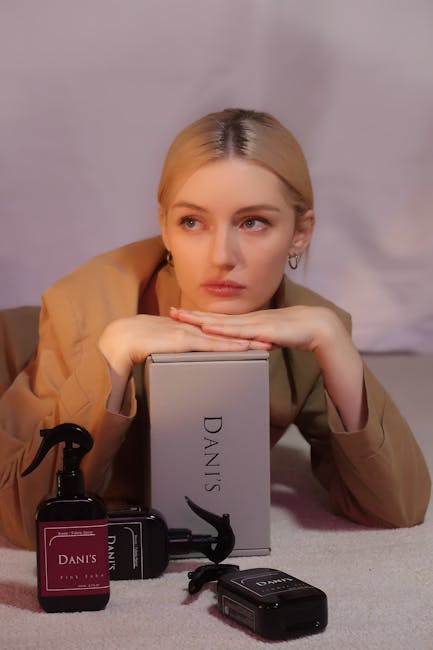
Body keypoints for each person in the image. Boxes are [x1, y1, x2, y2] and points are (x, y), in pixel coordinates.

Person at [0, 108, 430, 549]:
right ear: (165, 228)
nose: (222, 256)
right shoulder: (87, 308)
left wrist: (337, 346)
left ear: (301, 233)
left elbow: (397, 507)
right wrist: (112, 356)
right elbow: (27, 522)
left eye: (252, 222)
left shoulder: (310, 330)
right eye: (192, 222)